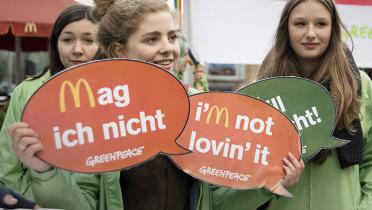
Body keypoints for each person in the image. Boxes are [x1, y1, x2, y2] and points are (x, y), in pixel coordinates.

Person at [3, 0, 304, 210]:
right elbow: (81, 204)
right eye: (152, 39)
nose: (168, 48)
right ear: (120, 49)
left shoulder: (199, 110)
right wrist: (45, 172)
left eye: (172, 36)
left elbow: (219, 203)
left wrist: (266, 184)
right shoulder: (99, 119)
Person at [213, 0, 372, 210]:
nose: (311, 33)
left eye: (321, 24)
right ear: (286, 29)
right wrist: (270, 184)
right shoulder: (261, 92)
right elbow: (236, 186)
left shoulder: (358, 84)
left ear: (333, 29)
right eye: (300, 24)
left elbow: (370, 160)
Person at [0, 3, 99, 208]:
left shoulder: (114, 95)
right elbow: (8, 168)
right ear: (55, 44)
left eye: (88, 40)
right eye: (68, 39)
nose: (77, 49)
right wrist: (33, 203)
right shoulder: (25, 92)